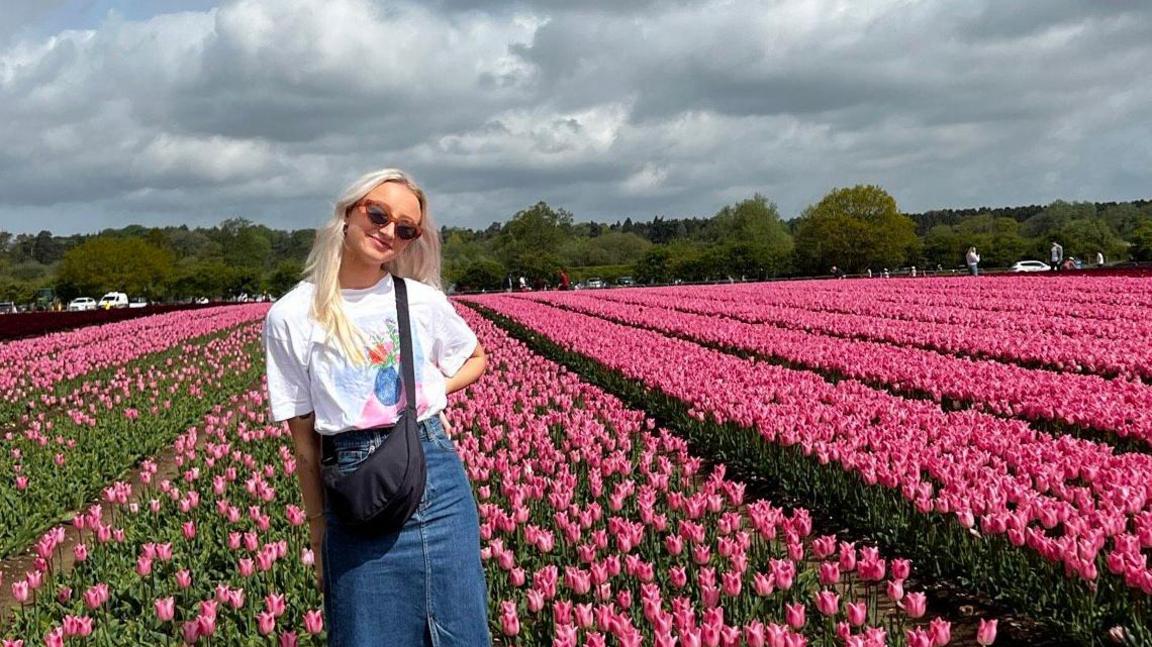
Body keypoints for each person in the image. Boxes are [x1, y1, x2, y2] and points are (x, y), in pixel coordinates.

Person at [262, 169, 491, 646]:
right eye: (379, 214)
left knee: (460, 633)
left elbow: (476, 357)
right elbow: (305, 446)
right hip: (353, 490)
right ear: (348, 212)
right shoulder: (292, 315)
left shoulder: (420, 301)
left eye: (406, 228)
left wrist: (433, 390)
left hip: (434, 475)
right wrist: (318, 529)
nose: (389, 232)